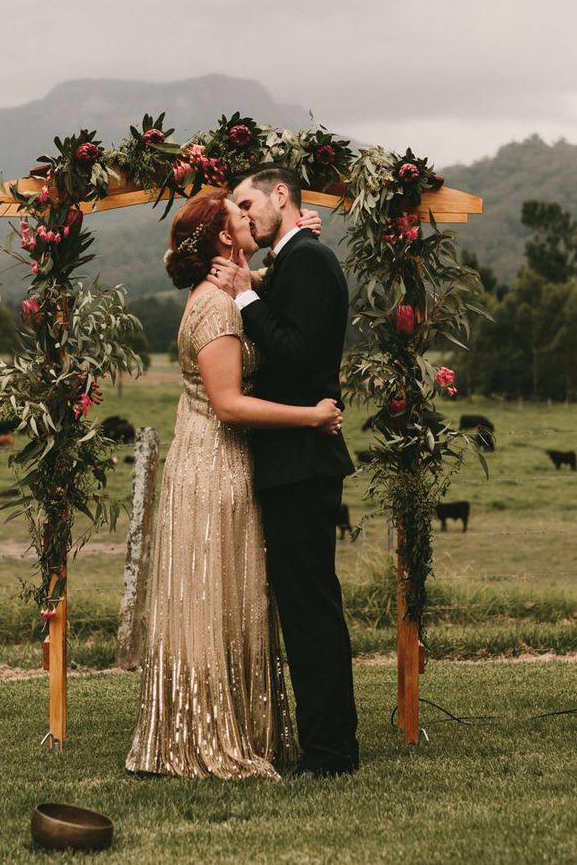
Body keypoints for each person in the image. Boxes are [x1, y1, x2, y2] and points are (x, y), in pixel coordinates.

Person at [125, 192, 341, 780]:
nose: (249, 220)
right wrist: (313, 416)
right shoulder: (218, 311)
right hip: (217, 465)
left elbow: (268, 278)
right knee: (220, 600)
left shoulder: (224, 291)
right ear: (223, 239)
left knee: (223, 601)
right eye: (239, 217)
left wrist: (297, 238)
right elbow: (228, 404)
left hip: (211, 463)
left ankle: (215, 723)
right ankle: (210, 733)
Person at [208, 164, 359, 778]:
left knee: (310, 607)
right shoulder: (292, 262)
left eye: (248, 203)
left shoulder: (311, 261)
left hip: (303, 462)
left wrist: (245, 296)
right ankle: (326, 743)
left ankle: (330, 752)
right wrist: (256, 286)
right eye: (235, 210)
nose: (244, 216)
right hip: (292, 462)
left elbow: (296, 355)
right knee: (303, 605)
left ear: (281, 196)